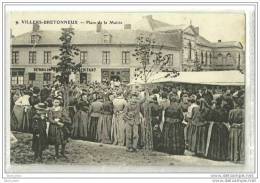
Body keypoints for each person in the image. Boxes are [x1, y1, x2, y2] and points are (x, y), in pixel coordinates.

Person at [228, 96, 245, 162]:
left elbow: (229, 120)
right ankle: (240, 158)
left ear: (236, 104)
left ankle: (233, 157)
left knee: (234, 143)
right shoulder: (244, 111)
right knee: (240, 143)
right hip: (241, 128)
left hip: (234, 128)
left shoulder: (231, 111)